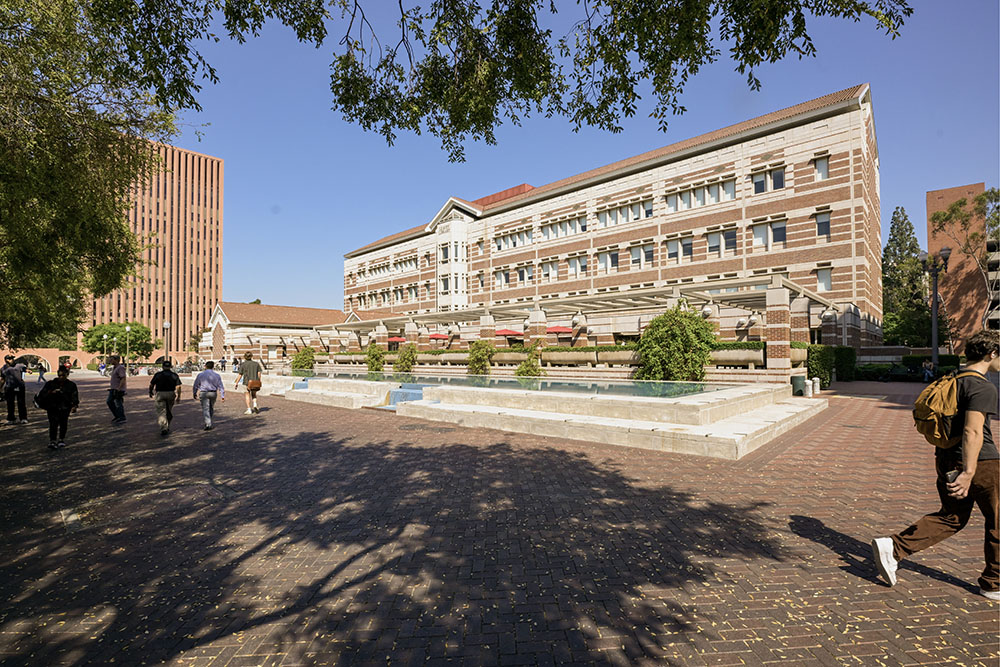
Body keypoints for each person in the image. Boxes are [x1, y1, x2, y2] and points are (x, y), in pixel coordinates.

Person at [872, 330, 1000, 601]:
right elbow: (972, 432)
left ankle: (893, 547)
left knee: (951, 517)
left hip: (944, 457)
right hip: (981, 463)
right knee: (998, 520)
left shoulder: (951, 378)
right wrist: (968, 472)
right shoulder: (982, 386)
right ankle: (994, 583)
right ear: (992, 354)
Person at [36, 365, 79, 449]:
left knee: (63, 424)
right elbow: (42, 394)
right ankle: (52, 440)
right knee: (53, 424)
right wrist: (51, 392)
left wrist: (75, 405)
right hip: (52, 406)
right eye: (59, 375)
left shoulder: (71, 385)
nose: (61, 377)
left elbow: (74, 396)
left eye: (63, 375)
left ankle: (61, 439)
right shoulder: (50, 383)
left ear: (67, 374)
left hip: (65, 407)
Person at [149, 360, 183, 435]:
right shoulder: (174, 375)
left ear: (162, 366)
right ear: (170, 367)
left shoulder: (158, 375)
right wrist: (179, 396)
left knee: (161, 411)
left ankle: (164, 427)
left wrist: (150, 391)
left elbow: (151, 384)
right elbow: (178, 386)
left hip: (160, 393)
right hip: (171, 393)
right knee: (168, 410)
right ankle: (167, 425)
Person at [193, 361, 225, 430]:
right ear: (213, 367)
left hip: (204, 393)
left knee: (205, 408)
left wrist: (194, 392)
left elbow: (196, 384)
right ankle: (208, 421)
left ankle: (208, 424)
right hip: (213, 393)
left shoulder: (200, 374)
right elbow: (221, 386)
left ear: (205, 366)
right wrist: (222, 395)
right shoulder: (217, 375)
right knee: (211, 407)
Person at [2, 355, 28, 424]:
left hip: (20, 387)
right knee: (10, 404)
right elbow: (2, 379)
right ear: (6, 360)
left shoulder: (19, 366)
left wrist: (28, 370)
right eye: (10, 359)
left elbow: (25, 369)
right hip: (9, 387)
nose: (12, 360)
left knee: (21, 403)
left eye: (12, 358)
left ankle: (23, 418)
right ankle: (11, 419)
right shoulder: (3, 368)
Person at [106, 355, 127, 423]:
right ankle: (118, 416)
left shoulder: (120, 368)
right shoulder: (115, 368)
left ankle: (121, 417)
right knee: (111, 402)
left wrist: (119, 388)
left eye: (111, 359)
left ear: (116, 360)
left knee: (117, 403)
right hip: (114, 388)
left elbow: (123, 378)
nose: (110, 361)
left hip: (118, 389)